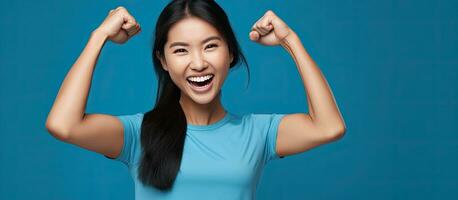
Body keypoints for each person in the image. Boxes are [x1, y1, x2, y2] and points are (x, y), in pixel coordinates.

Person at [45, 0, 346, 199]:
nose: (198, 63)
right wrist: (99, 36)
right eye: (180, 50)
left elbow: (329, 127)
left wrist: (290, 41)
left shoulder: (258, 133)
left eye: (210, 46)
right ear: (163, 61)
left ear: (230, 53)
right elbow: (63, 125)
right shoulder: (139, 134)